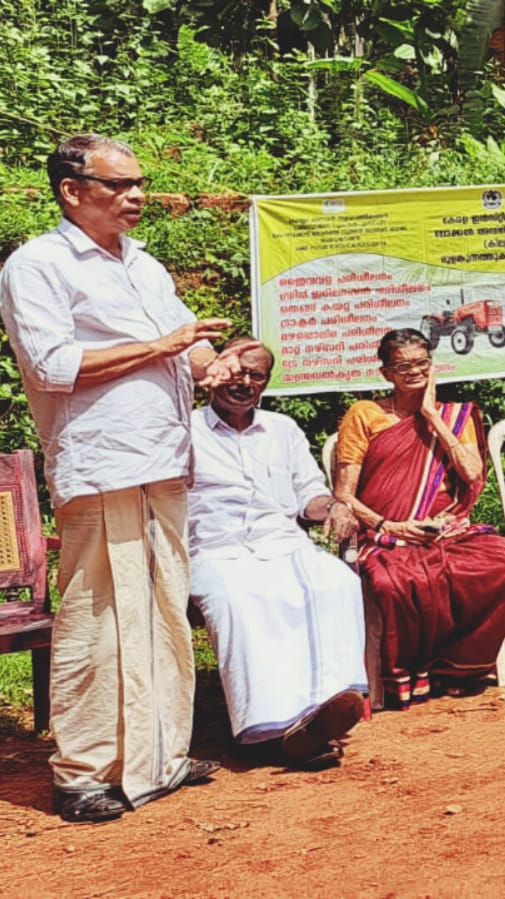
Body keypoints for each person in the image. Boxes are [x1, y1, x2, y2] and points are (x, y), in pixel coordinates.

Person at [0, 135, 253, 823]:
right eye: (119, 184)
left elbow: (185, 340)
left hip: (164, 459)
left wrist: (210, 363)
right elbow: (51, 364)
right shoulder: (39, 265)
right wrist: (162, 347)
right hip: (102, 460)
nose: (137, 195)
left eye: (140, 182)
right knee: (99, 614)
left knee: (164, 605)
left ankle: (159, 755)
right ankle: (84, 772)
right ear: (71, 190)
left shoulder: (142, 263)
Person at [188, 340, 368, 766]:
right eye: (237, 372)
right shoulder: (184, 429)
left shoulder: (282, 429)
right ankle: (265, 730)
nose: (244, 382)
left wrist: (334, 507)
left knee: (335, 581)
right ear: (217, 372)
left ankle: (324, 707)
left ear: (266, 383)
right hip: (215, 549)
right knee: (239, 599)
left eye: (256, 375)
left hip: (281, 543)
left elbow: (308, 492)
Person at [332, 329, 505, 706]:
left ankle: (459, 668)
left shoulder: (453, 416)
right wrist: (390, 525)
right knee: (394, 582)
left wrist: (431, 416)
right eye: (403, 366)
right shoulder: (365, 414)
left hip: (445, 529)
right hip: (385, 532)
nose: (414, 372)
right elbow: (343, 494)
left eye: (421, 363)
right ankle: (404, 675)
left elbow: (472, 473)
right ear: (386, 373)